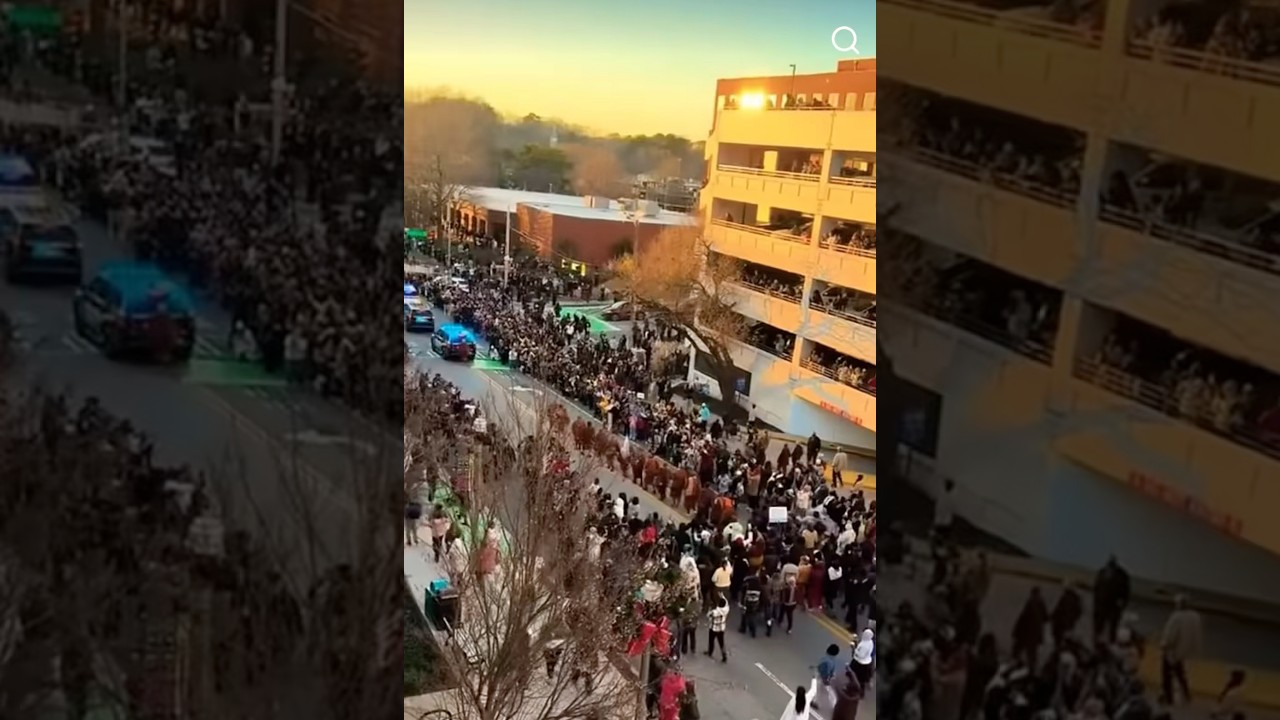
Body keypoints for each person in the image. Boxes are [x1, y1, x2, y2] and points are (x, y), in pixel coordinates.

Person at [1160, 594, 1203, 706]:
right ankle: (1186, 695)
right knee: (1181, 675)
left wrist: (1164, 645)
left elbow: (1171, 635)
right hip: (1187, 651)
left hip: (1173, 652)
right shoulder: (1195, 616)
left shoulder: (1176, 617)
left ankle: (1168, 697)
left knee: (1167, 675)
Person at [706, 597, 729, 662]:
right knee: (721, 643)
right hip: (721, 628)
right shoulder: (726, 609)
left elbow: (708, 615)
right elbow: (726, 602)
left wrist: (709, 609)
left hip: (714, 628)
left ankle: (710, 652)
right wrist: (722, 596)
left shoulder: (715, 612)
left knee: (711, 641)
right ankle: (724, 655)